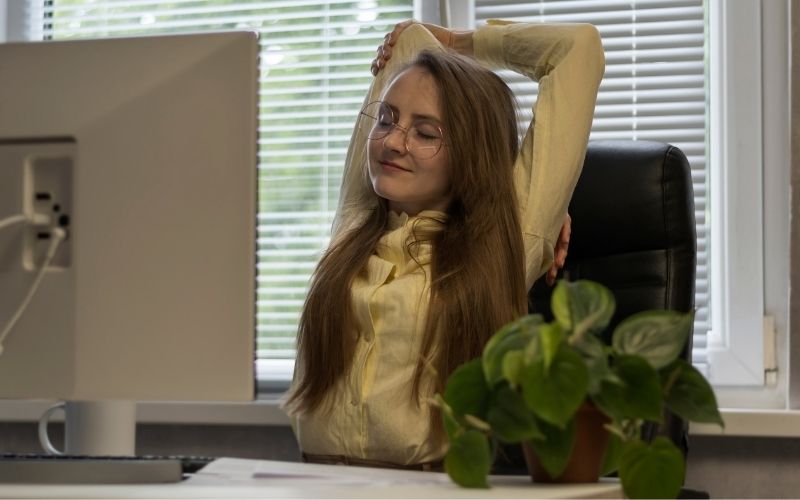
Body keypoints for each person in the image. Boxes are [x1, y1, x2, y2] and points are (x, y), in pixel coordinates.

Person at [284, 19, 605, 470]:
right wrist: (429, 45)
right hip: (310, 482)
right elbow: (411, 40)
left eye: (427, 133)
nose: (393, 142)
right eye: (387, 119)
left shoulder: (505, 240)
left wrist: (460, 43)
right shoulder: (357, 223)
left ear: (472, 154)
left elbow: (577, 49)